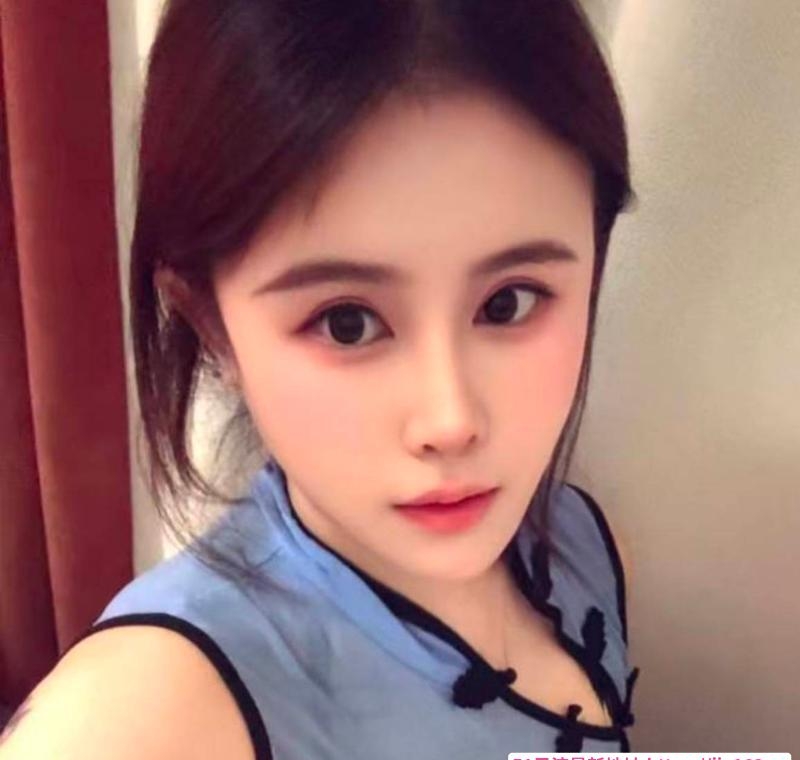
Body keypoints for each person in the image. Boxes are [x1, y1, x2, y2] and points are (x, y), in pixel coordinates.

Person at [0, 0, 641, 757]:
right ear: (211, 326)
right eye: (347, 323)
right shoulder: (150, 713)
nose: (451, 420)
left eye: (509, 303)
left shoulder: (583, 545)